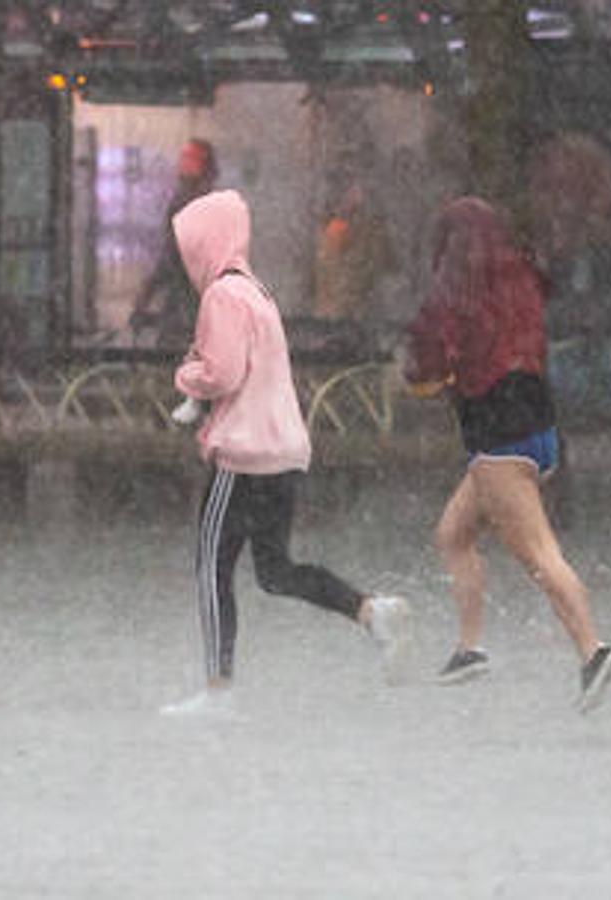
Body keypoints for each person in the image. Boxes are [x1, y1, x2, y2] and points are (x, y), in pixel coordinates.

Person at [164, 189, 412, 717]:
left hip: (242, 455)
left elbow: (221, 373)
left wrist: (184, 376)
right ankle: (369, 611)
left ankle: (217, 690)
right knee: (276, 569)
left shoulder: (222, 297)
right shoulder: (257, 292)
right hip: (281, 454)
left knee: (212, 568)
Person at [403, 197, 611, 713]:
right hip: (538, 423)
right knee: (453, 534)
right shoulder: (519, 276)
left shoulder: (457, 292)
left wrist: (425, 375)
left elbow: (428, 367)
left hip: (498, 437)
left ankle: (594, 651)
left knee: (539, 555)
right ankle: (469, 648)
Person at [132, 139, 220, 348]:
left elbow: (172, 256)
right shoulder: (208, 201)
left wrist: (145, 296)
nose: (182, 163)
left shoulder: (190, 202)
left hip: (186, 304)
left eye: (189, 158)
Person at [310, 180, 399, 324]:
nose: (357, 198)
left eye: (358, 193)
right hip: (330, 320)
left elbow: (388, 269)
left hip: (361, 320)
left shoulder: (372, 232)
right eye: (352, 192)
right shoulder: (327, 232)